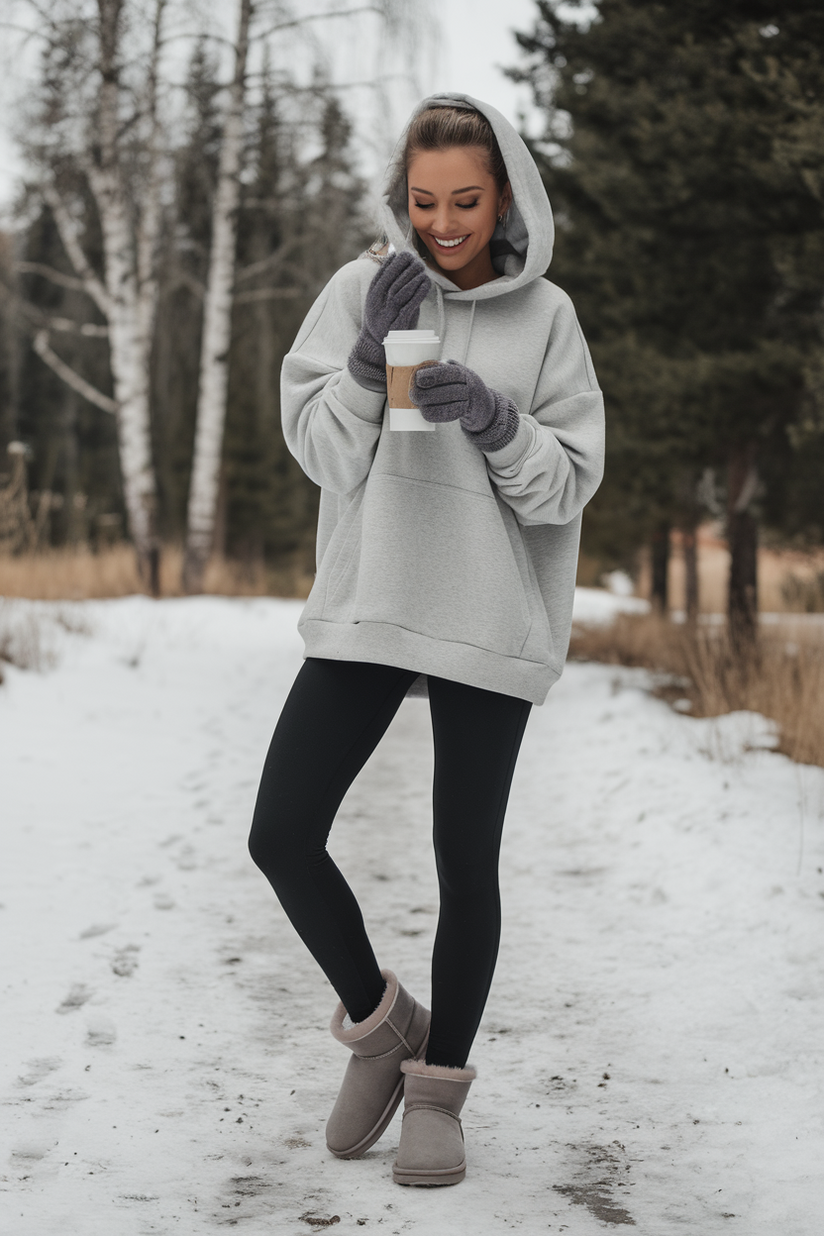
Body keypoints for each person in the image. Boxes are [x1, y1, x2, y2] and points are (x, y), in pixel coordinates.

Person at [248, 92, 605, 1187]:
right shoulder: (363, 287)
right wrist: (362, 364)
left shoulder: (544, 316)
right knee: (281, 832)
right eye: (422, 200)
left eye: (465, 199)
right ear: (398, 195)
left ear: (503, 195)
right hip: (373, 597)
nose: (443, 222)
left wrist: (498, 423)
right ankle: (381, 1022)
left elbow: (565, 487)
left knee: (465, 863)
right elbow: (317, 453)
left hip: (488, 612)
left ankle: (439, 1085)